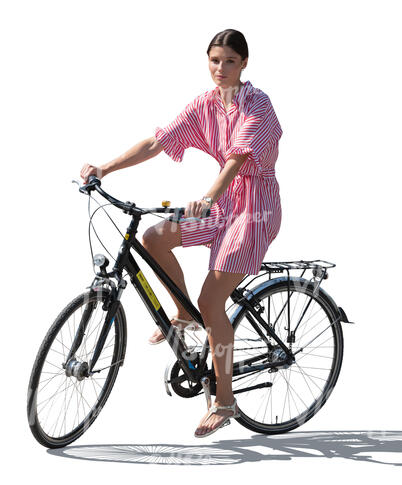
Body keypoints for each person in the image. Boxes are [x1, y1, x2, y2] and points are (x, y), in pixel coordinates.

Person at [79, 29, 283, 438]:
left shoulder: (257, 104)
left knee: (212, 302)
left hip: (254, 211)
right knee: (154, 237)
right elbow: (158, 141)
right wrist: (104, 168)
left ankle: (224, 401)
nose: (220, 69)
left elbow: (240, 158)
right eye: (214, 60)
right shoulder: (205, 105)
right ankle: (183, 313)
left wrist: (207, 197)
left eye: (229, 61)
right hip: (222, 205)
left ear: (244, 63)